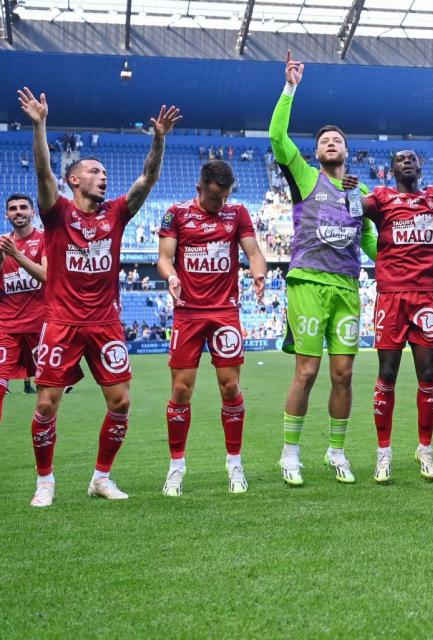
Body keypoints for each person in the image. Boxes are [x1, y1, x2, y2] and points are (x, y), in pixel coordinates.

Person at [18, 87, 180, 507]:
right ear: (74, 180)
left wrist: (158, 138)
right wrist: (40, 125)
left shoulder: (116, 214)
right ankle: (45, 482)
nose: (103, 176)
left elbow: (148, 179)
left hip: (105, 323)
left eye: (104, 172)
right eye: (94, 171)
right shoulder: (57, 214)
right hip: (61, 321)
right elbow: (42, 174)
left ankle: (101, 478)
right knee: (48, 403)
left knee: (121, 401)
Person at [270, 51, 378, 486]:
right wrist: (290, 87)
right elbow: (277, 136)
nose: (331, 142)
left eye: (337, 140)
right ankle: (289, 454)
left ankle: (337, 452)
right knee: (308, 370)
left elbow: (368, 240)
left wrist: (396, 262)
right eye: (324, 140)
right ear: (315, 152)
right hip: (308, 282)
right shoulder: (303, 175)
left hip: (347, 287)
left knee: (343, 373)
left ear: (347, 151)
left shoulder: (359, 189)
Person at [156, 160, 268, 496]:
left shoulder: (238, 214)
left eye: (225, 198)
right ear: (199, 188)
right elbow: (164, 257)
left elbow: (254, 252)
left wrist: (258, 273)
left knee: (230, 387)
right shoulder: (176, 214)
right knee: (181, 390)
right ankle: (176, 467)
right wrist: (172, 275)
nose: (221, 205)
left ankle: (234, 464)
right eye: (215, 198)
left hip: (224, 313)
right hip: (188, 313)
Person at [361, 150, 433, 483]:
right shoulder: (381, 198)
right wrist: (346, 194)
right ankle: (384, 453)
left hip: (424, 295)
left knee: (427, 373)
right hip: (390, 296)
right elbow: (355, 209)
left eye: (413, 158)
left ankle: (424, 449)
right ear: (392, 169)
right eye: (400, 159)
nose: (407, 161)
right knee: (387, 372)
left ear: (420, 166)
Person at [0, 194, 47, 424]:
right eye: (12, 209)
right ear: (7, 214)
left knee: (48, 396)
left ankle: (44, 455)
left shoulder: (44, 240)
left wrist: (15, 254)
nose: (18, 212)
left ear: (33, 213)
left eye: (23, 208)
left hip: (41, 328)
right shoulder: (1, 245)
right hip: (7, 328)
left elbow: (48, 276)